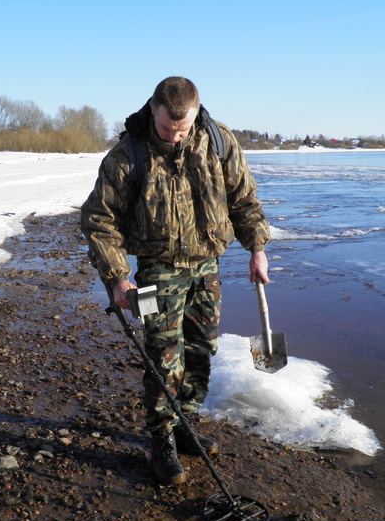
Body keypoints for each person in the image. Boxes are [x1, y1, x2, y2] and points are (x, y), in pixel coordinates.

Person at [80, 76, 270, 486]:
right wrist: (117, 278)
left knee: (201, 349)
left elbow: (244, 198)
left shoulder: (218, 141)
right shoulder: (128, 154)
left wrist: (256, 248)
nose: (175, 136)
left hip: (207, 265)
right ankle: (161, 437)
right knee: (164, 354)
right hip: (157, 269)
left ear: (197, 113)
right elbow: (99, 221)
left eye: (183, 129)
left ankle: (184, 422)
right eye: (167, 128)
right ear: (153, 109)